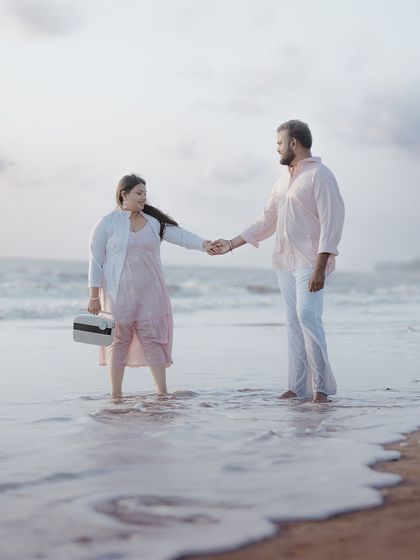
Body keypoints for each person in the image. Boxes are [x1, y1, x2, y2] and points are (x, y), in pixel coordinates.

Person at [209, 120, 345, 403]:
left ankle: (321, 387)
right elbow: (266, 220)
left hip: (310, 260)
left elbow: (333, 221)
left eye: (280, 143)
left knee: (308, 317)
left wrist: (321, 265)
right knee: (293, 322)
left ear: (294, 143)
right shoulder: (281, 181)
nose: (278, 149)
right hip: (285, 260)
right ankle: (297, 387)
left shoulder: (321, 175)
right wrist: (232, 243)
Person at [88, 174, 212, 399]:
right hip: (117, 294)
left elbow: (182, 236)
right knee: (118, 342)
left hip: (151, 293)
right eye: (139, 192)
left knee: (154, 340)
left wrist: (206, 245)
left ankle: (162, 394)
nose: (144, 197)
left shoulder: (153, 222)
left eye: (145, 193)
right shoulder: (106, 223)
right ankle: (116, 396)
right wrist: (94, 296)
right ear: (123, 194)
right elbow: (95, 261)